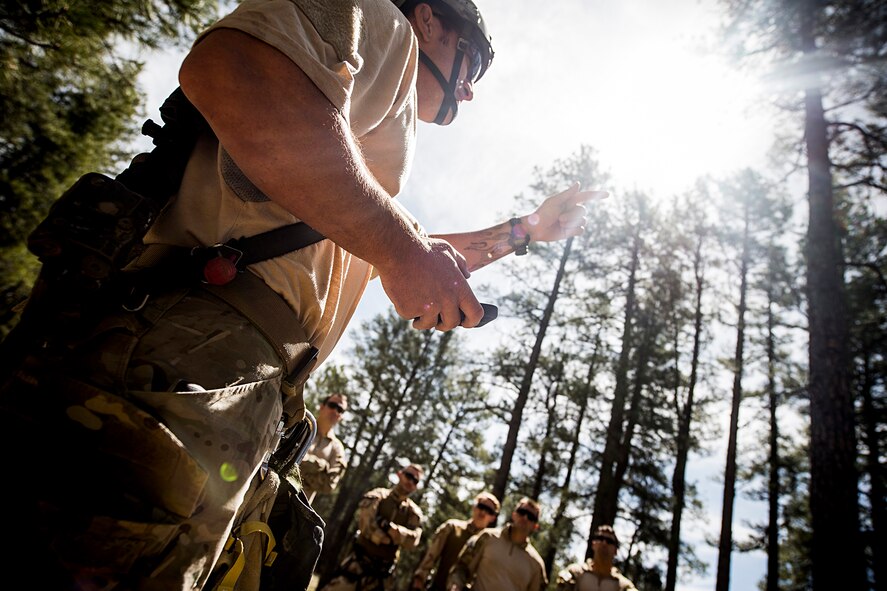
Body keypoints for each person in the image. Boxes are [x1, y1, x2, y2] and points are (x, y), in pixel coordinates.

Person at [0, 0, 607, 588]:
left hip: (223, 371)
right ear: (429, 16)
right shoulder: (380, 20)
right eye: (471, 60)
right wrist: (400, 249)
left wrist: (524, 231)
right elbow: (231, 70)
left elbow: (383, 249)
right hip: (191, 350)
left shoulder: (370, 119)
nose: (469, 89)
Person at [320, 463, 425, 591]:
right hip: (356, 568)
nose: (410, 481)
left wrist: (391, 529)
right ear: (399, 474)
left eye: (415, 480)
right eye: (409, 476)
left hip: (383, 578)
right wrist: (393, 539)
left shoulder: (414, 513)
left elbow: (413, 542)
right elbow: (366, 527)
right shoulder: (378, 496)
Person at [446, 497, 547, 591]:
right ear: (514, 514)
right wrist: (456, 586)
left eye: (531, 517)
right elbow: (462, 568)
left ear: (535, 526)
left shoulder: (536, 564)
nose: (525, 518)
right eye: (522, 512)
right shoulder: (487, 537)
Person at [411, 491, 500, 590]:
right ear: (474, 506)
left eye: (489, 510)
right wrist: (420, 578)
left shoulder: (490, 543)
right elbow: (431, 555)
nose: (483, 512)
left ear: (493, 517)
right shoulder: (452, 528)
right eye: (481, 506)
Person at [300, 393, 349, 504]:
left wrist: (299, 462)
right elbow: (283, 455)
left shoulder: (337, 448)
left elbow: (329, 484)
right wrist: (319, 466)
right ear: (322, 406)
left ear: (341, 417)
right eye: (332, 405)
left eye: (340, 410)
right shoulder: (301, 426)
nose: (335, 411)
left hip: (297, 508)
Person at [556, 525, 638, 591]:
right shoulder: (574, 573)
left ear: (615, 551)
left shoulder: (624, 586)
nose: (604, 543)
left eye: (609, 541)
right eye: (600, 538)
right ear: (593, 544)